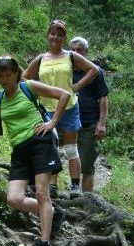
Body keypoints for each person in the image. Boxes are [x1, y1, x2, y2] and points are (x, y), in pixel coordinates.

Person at [0, 56, 70, 246]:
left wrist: (53, 122)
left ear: (16, 73)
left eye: (8, 74)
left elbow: (64, 95)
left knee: (42, 193)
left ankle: (44, 242)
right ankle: (53, 212)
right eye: (1, 76)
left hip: (41, 141)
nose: (5, 79)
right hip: (19, 149)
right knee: (14, 199)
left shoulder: (28, 87)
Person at [23, 19, 99, 199]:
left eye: (59, 34)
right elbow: (25, 77)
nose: (55, 37)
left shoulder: (70, 56)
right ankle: (53, 186)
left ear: (64, 37)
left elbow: (93, 70)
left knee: (71, 149)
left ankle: (75, 186)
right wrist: (38, 90)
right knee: (52, 147)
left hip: (69, 107)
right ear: (48, 35)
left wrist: (78, 85)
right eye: (53, 33)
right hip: (47, 108)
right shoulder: (40, 59)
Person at [69, 36, 109, 193]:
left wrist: (101, 123)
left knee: (87, 165)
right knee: (65, 159)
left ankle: (87, 199)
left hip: (89, 125)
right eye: (72, 50)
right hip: (68, 124)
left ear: (86, 52)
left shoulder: (95, 72)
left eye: (79, 50)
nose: (75, 53)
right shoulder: (66, 71)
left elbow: (103, 97)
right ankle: (67, 193)